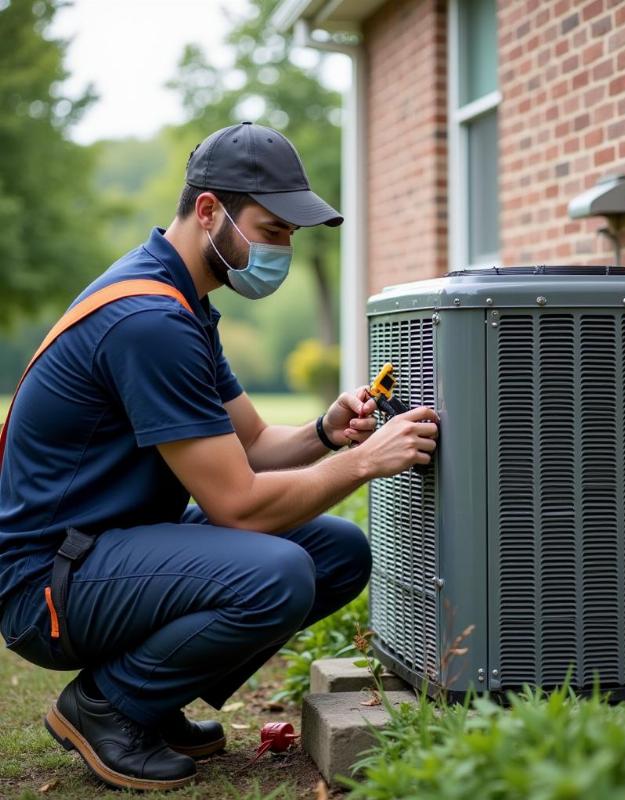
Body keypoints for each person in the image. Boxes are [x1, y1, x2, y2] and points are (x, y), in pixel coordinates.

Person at [0, 122, 439, 791]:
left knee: (337, 552)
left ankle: (146, 701)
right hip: (47, 586)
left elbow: (256, 445)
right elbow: (237, 505)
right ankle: (108, 707)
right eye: (273, 229)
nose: (284, 249)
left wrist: (325, 432)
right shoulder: (150, 321)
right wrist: (363, 462)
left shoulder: (183, 303)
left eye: (292, 235)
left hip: (105, 551)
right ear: (209, 211)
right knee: (279, 572)